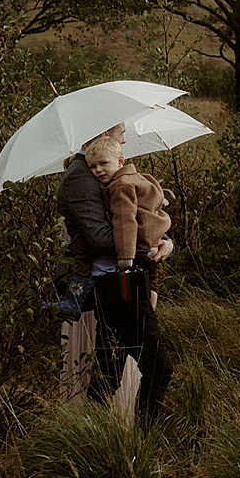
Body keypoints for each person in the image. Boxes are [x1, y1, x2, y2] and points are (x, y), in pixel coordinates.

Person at [82, 134, 175, 419]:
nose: (98, 171)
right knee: (133, 360)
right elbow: (131, 221)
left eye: (103, 164)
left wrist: (131, 258)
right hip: (121, 278)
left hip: (129, 271)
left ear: (119, 160)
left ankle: (99, 424)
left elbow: (126, 223)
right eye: (93, 166)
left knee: (115, 358)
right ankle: (136, 431)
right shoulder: (136, 178)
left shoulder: (119, 185)